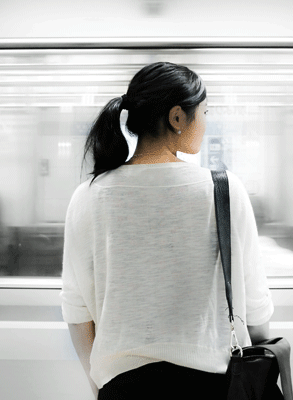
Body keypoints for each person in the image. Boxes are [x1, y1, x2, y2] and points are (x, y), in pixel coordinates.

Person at [60, 62, 274, 400]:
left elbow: (77, 313)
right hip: (215, 387)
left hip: (123, 389)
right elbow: (256, 308)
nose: (205, 123)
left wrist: (101, 385)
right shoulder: (224, 189)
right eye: (203, 112)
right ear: (177, 118)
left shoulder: (87, 196)